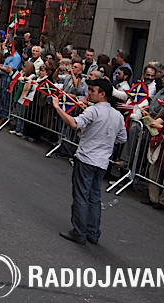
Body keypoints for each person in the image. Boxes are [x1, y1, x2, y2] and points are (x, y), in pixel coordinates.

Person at [52, 79, 127, 245]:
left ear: (102, 94)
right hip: (102, 161)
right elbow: (122, 138)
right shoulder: (117, 115)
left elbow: (73, 123)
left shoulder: (94, 111)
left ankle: (79, 231)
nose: (89, 92)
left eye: (92, 90)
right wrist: (105, 138)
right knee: (94, 197)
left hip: (87, 158)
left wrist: (58, 107)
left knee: (82, 195)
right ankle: (93, 232)